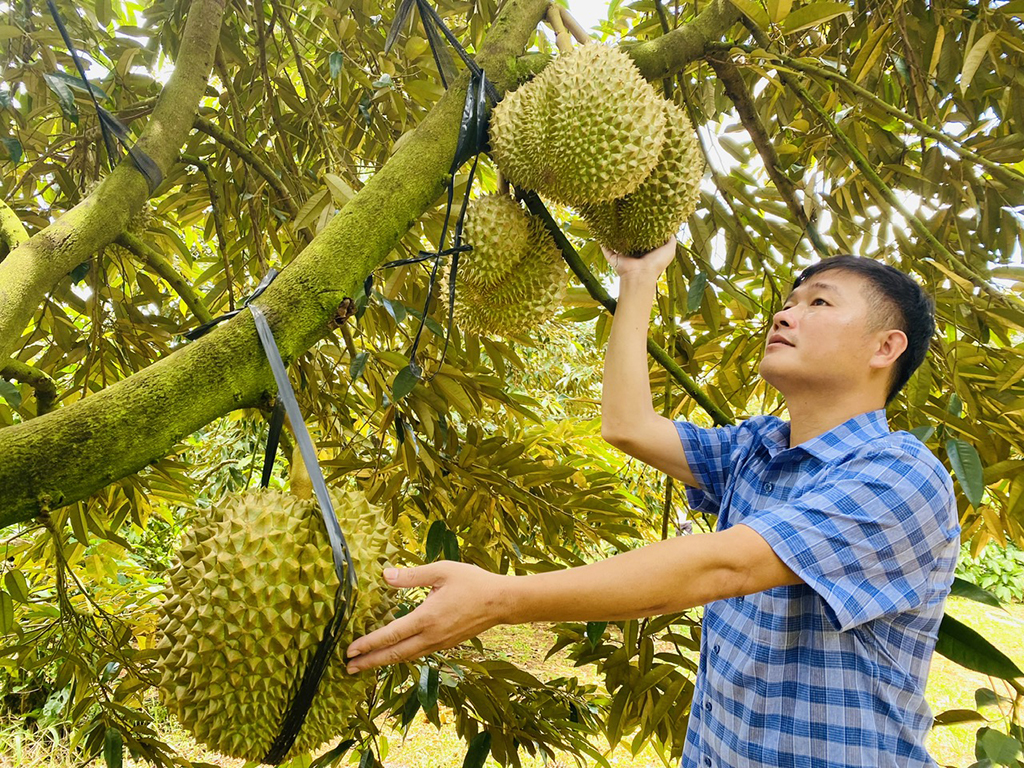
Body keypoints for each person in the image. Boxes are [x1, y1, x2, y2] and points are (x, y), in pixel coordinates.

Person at [345, 241, 960, 768]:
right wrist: (639, 278)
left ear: (886, 347)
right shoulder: (757, 450)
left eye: (819, 302)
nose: (785, 313)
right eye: (789, 301)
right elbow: (629, 424)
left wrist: (500, 599)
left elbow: (723, 566)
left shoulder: (900, 478)